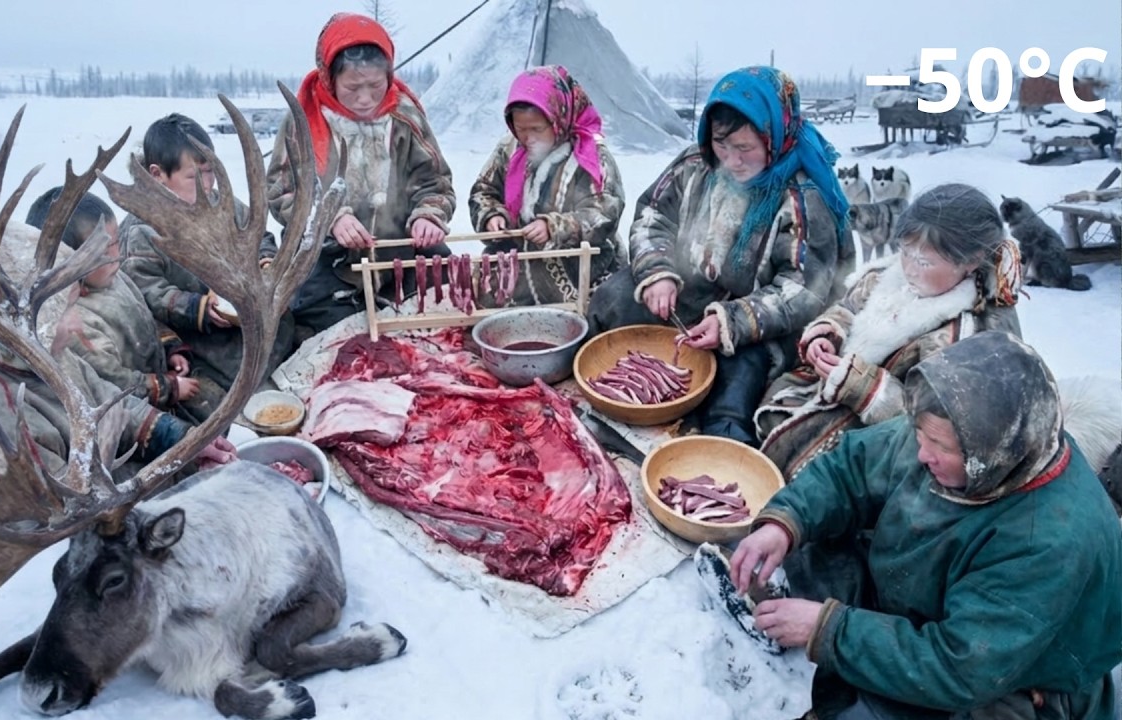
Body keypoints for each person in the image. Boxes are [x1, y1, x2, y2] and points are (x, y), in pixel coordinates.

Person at [730, 332, 1122, 720]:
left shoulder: (1047, 540)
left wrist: (827, 630)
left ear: (990, 457)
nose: (921, 454)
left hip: (1000, 669)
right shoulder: (959, 428)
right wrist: (785, 523)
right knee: (802, 557)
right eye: (921, 434)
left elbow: (959, 667)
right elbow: (852, 468)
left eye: (940, 447)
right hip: (929, 599)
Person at [0, 221, 236, 558]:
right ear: (29, 322)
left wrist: (181, 439)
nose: (76, 326)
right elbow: (63, 519)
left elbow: (96, 394)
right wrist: (177, 473)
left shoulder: (9, 334)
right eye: (67, 310)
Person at [587, 66, 854, 445]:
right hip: (692, 291)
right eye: (721, 144)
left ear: (774, 137)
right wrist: (658, 271)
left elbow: (801, 289)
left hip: (762, 318)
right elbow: (653, 216)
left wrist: (732, 321)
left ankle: (719, 442)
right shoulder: (695, 164)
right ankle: (606, 390)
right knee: (614, 297)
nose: (731, 160)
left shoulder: (803, 198)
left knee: (739, 375)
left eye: (745, 148)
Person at [754, 184, 1022, 480]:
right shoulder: (888, 278)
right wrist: (830, 332)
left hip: (880, 441)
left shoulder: (971, 337)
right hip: (823, 395)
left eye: (924, 262)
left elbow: (943, 424)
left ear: (971, 261)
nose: (910, 269)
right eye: (905, 252)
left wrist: (865, 387)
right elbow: (848, 307)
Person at [266, 12, 455, 339]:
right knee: (334, 342)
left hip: (400, 254)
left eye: (376, 85)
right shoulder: (304, 122)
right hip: (328, 263)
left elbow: (433, 181)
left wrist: (428, 215)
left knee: (442, 316)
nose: (365, 99)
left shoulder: (404, 117)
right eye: (352, 87)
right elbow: (282, 191)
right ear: (329, 78)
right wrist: (330, 218)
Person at [119, 113, 290, 420]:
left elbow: (258, 234)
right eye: (195, 176)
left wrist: (265, 261)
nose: (208, 184)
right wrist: (197, 308)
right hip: (195, 341)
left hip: (246, 319)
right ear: (157, 175)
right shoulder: (142, 230)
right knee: (216, 403)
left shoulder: (221, 203)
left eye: (211, 172)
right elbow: (146, 291)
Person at [25, 187, 200, 418]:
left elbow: (145, 316)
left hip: (167, 382)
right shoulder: (74, 323)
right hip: (138, 416)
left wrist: (169, 350)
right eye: (103, 251)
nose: (116, 255)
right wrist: (168, 387)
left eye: (116, 241)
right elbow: (115, 383)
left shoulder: (115, 277)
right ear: (66, 261)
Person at [468, 65, 624, 307]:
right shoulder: (509, 149)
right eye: (520, 129)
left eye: (537, 129)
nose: (528, 138)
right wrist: (492, 215)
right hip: (518, 269)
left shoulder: (592, 157)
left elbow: (604, 213)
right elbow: (484, 190)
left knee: (590, 316)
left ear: (558, 119)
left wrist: (554, 227)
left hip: (582, 272)